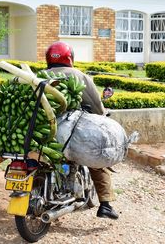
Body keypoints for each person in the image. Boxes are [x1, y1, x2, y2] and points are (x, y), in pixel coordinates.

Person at [45, 41, 119, 220]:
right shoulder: (79, 76)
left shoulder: (38, 76)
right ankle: (106, 204)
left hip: (42, 132)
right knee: (97, 159)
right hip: (72, 132)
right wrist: (102, 114)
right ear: (69, 58)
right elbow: (97, 107)